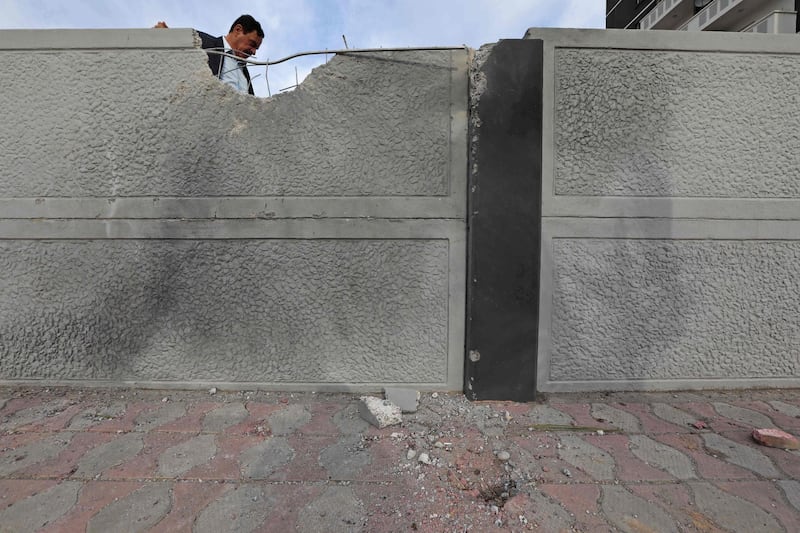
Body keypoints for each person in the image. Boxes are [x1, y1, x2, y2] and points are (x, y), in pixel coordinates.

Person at [154, 15, 264, 95]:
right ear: (238, 30)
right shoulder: (203, 41)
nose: (254, 52)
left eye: (256, 48)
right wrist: (165, 34)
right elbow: (173, 43)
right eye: (252, 44)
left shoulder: (245, 72)